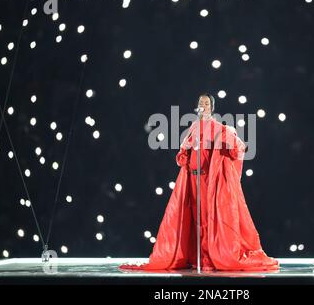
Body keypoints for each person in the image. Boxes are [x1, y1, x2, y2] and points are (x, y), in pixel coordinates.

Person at [119, 94, 279, 271]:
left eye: (207, 103)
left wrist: (228, 141)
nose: (204, 105)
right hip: (193, 179)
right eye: (201, 103)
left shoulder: (219, 128)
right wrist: (187, 149)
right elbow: (181, 157)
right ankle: (199, 258)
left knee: (208, 218)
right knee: (196, 218)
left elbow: (236, 146)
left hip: (208, 181)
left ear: (212, 107)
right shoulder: (194, 127)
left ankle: (210, 258)